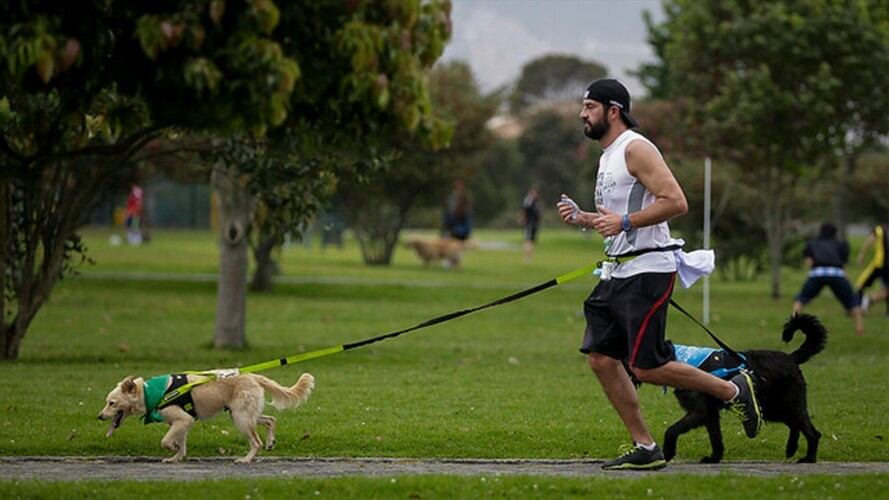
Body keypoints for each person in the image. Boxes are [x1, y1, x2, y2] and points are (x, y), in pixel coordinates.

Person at [556, 78, 762, 471]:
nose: (582, 114)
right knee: (601, 359)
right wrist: (585, 218)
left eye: (590, 107)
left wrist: (626, 222)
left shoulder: (636, 148)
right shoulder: (608, 155)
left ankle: (731, 389)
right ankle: (646, 446)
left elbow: (676, 202)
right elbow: (618, 218)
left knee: (646, 366)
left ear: (613, 110)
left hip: (648, 271)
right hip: (617, 271)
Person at [792, 223, 864, 335]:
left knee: (801, 299)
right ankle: (859, 329)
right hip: (837, 274)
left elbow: (808, 262)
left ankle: (793, 325)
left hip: (817, 273)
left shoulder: (812, 243)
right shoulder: (841, 244)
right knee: (852, 302)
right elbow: (843, 264)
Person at [855, 223, 889, 316]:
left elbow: (870, 239)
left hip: (879, 264)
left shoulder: (879, 229)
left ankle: (859, 306)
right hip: (883, 264)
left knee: (861, 284)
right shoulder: (881, 230)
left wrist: (861, 255)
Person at [521, 185, 541, 261]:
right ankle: (527, 258)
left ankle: (529, 257)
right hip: (529, 224)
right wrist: (524, 220)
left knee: (531, 241)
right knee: (528, 240)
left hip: (534, 224)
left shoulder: (534, 201)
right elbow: (524, 211)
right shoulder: (528, 201)